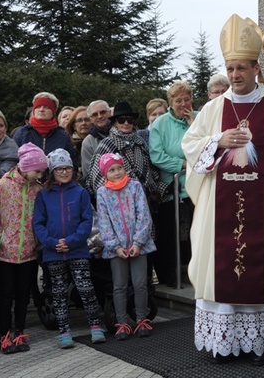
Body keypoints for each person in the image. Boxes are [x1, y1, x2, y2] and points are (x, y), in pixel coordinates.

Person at [182, 13, 264, 366]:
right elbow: (190, 147)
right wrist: (217, 140)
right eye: (230, 68)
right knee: (222, 264)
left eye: (242, 67)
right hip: (221, 209)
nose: (235, 75)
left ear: (258, 68)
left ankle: (263, 343)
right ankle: (222, 341)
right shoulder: (213, 109)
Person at [33, 149, 106, 348]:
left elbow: (86, 221)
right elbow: (38, 223)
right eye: (59, 169)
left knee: (86, 289)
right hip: (52, 252)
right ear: (52, 171)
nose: (64, 172)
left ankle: (95, 326)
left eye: (67, 168)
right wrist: (51, 242)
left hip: (78, 250)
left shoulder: (80, 192)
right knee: (58, 293)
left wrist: (72, 241)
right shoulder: (43, 195)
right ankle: (64, 331)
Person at [0, 143, 48, 354]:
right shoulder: (1, 186)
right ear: (25, 166)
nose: (41, 174)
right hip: (3, 252)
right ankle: (5, 335)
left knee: (23, 294)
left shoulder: (38, 189)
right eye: (38, 170)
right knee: (6, 295)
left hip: (29, 252)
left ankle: (19, 332)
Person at [96, 153, 156, 340]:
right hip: (117, 249)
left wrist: (138, 242)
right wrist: (115, 246)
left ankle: (141, 319)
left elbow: (144, 215)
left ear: (124, 168)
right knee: (119, 286)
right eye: (111, 170)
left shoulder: (135, 187)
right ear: (105, 174)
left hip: (140, 246)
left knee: (140, 284)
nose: (116, 172)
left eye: (119, 168)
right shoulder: (102, 192)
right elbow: (103, 221)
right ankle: (122, 322)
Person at [150, 82, 195, 288]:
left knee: (194, 231)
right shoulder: (160, 124)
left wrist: (193, 122)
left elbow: (204, 144)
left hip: (196, 185)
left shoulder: (197, 119)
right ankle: (170, 274)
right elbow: (157, 155)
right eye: (178, 100)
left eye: (187, 99)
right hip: (172, 185)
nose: (183, 104)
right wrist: (183, 164)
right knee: (171, 233)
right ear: (170, 102)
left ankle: (193, 272)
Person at [86, 101, 167, 201]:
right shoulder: (106, 145)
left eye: (130, 119)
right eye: (121, 120)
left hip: (144, 202)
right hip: (118, 203)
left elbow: (152, 172)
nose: (126, 123)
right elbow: (97, 181)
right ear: (115, 122)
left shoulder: (140, 143)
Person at [13, 92, 78, 166]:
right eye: (38, 106)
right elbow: (13, 160)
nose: (41, 109)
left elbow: (72, 162)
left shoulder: (63, 136)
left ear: (53, 112)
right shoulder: (22, 133)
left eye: (46, 107)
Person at [81, 100, 112, 172]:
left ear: (110, 113)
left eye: (103, 112)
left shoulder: (122, 133)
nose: (99, 116)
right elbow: (88, 173)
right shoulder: (88, 142)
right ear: (91, 119)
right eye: (95, 114)